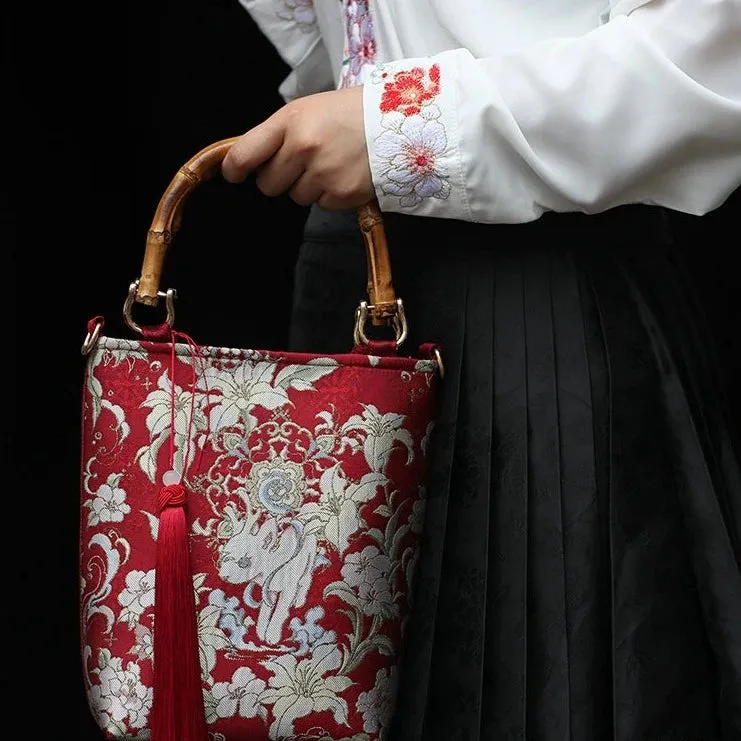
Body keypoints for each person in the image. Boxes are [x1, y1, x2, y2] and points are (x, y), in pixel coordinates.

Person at [222, 1, 741, 739]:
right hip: (351, 283)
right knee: (321, 692)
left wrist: (402, 129)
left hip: (533, 313)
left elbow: (718, 53)